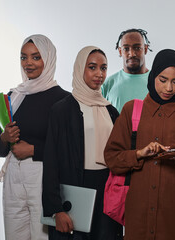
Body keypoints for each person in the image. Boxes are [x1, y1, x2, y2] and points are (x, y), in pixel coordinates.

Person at [104, 49, 175, 240]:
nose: (169, 88)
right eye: (162, 80)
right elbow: (111, 158)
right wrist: (139, 154)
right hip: (138, 217)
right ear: (152, 76)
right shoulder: (130, 110)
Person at [0, 34, 69, 240]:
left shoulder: (63, 100)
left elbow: (68, 150)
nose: (28, 63)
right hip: (13, 179)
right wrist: (4, 138)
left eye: (36, 57)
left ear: (49, 58)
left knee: (42, 236)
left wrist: (33, 150)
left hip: (44, 177)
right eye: (23, 57)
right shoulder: (13, 96)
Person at [42, 46, 123, 240]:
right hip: (74, 189)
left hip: (106, 190)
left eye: (103, 68)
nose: (99, 74)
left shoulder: (111, 111)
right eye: (92, 67)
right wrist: (56, 210)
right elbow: (51, 162)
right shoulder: (61, 110)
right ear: (80, 69)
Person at [102, 28, 151, 112]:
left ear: (145, 49)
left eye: (137, 48)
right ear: (120, 51)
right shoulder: (108, 84)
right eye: (126, 49)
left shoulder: (157, 82)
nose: (132, 54)